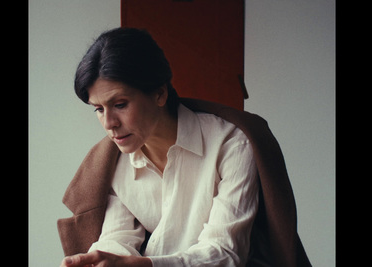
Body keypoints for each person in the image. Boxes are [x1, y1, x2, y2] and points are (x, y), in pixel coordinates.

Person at [58, 27, 311, 267]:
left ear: (159, 93)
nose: (109, 123)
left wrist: (147, 265)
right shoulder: (112, 162)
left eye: (120, 104)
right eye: (99, 109)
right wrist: (99, 260)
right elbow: (119, 238)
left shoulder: (231, 144)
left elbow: (226, 253)